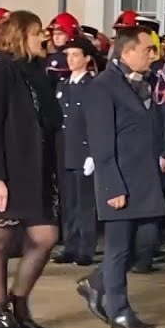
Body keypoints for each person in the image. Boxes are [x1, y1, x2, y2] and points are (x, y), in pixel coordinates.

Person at [0, 10, 62, 328]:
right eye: (37, 33)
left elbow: (49, 119)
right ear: (21, 35)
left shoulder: (36, 70)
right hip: (2, 167)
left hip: (32, 168)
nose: (44, 38)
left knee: (45, 236)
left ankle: (18, 304)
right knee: (0, 242)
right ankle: (1, 315)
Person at [74, 27, 165, 328]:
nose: (151, 54)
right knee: (119, 249)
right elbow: (101, 141)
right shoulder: (103, 86)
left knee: (146, 241)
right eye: (146, 49)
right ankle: (119, 311)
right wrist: (113, 186)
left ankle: (95, 283)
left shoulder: (144, 82)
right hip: (119, 181)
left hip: (145, 179)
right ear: (126, 52)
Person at [54, 37, 99, 267]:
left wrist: (93, 152)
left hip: (84, 151)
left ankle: (85, 248)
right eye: (68, 55)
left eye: (75, 55)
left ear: (87, 59)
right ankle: (70, 245)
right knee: (68, 202)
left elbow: (95, 121)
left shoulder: (93, 85)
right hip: (65, 149)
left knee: (85, 203)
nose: (70, 60)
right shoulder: (63, 85)